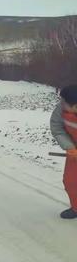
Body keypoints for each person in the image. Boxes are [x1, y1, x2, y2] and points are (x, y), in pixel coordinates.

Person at [50, 84, 77, 219]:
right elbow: (57, 128)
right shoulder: (61, 109)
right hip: (74, 152)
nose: (61, 103)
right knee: (71, 181)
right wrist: (70, 147)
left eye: (64, 102)